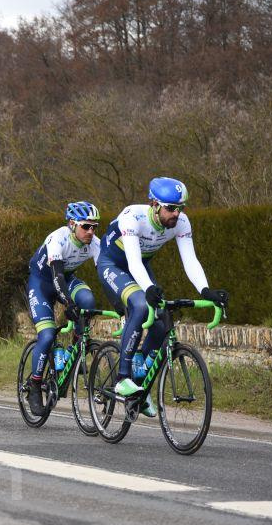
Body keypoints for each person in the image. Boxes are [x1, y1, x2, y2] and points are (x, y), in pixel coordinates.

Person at [96, 177, 228, 416]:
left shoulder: (181, 222)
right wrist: (147, 289)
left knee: (163, 319)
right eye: (170, 208)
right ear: (154, 205)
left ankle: (140, 384)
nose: (176, 214)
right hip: (114, 264)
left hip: (140, 265)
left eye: (180, 208)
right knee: (140, 304)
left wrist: (206, 290)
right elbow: (133, 261)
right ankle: (122, 378)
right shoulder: (132, 217)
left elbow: (190, 260)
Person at [25, 202, 102, 416]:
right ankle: (34, 385)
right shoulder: (57, 238)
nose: (91, 231)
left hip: (67, 280)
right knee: (48, 335)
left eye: (94, 227)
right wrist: (68, 303)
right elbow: (56, 276)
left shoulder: (94, 243)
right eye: (86, 226)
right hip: (42, 283)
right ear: (72, 224)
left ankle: (74, 354)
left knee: (88, 301)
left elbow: (106, 274)